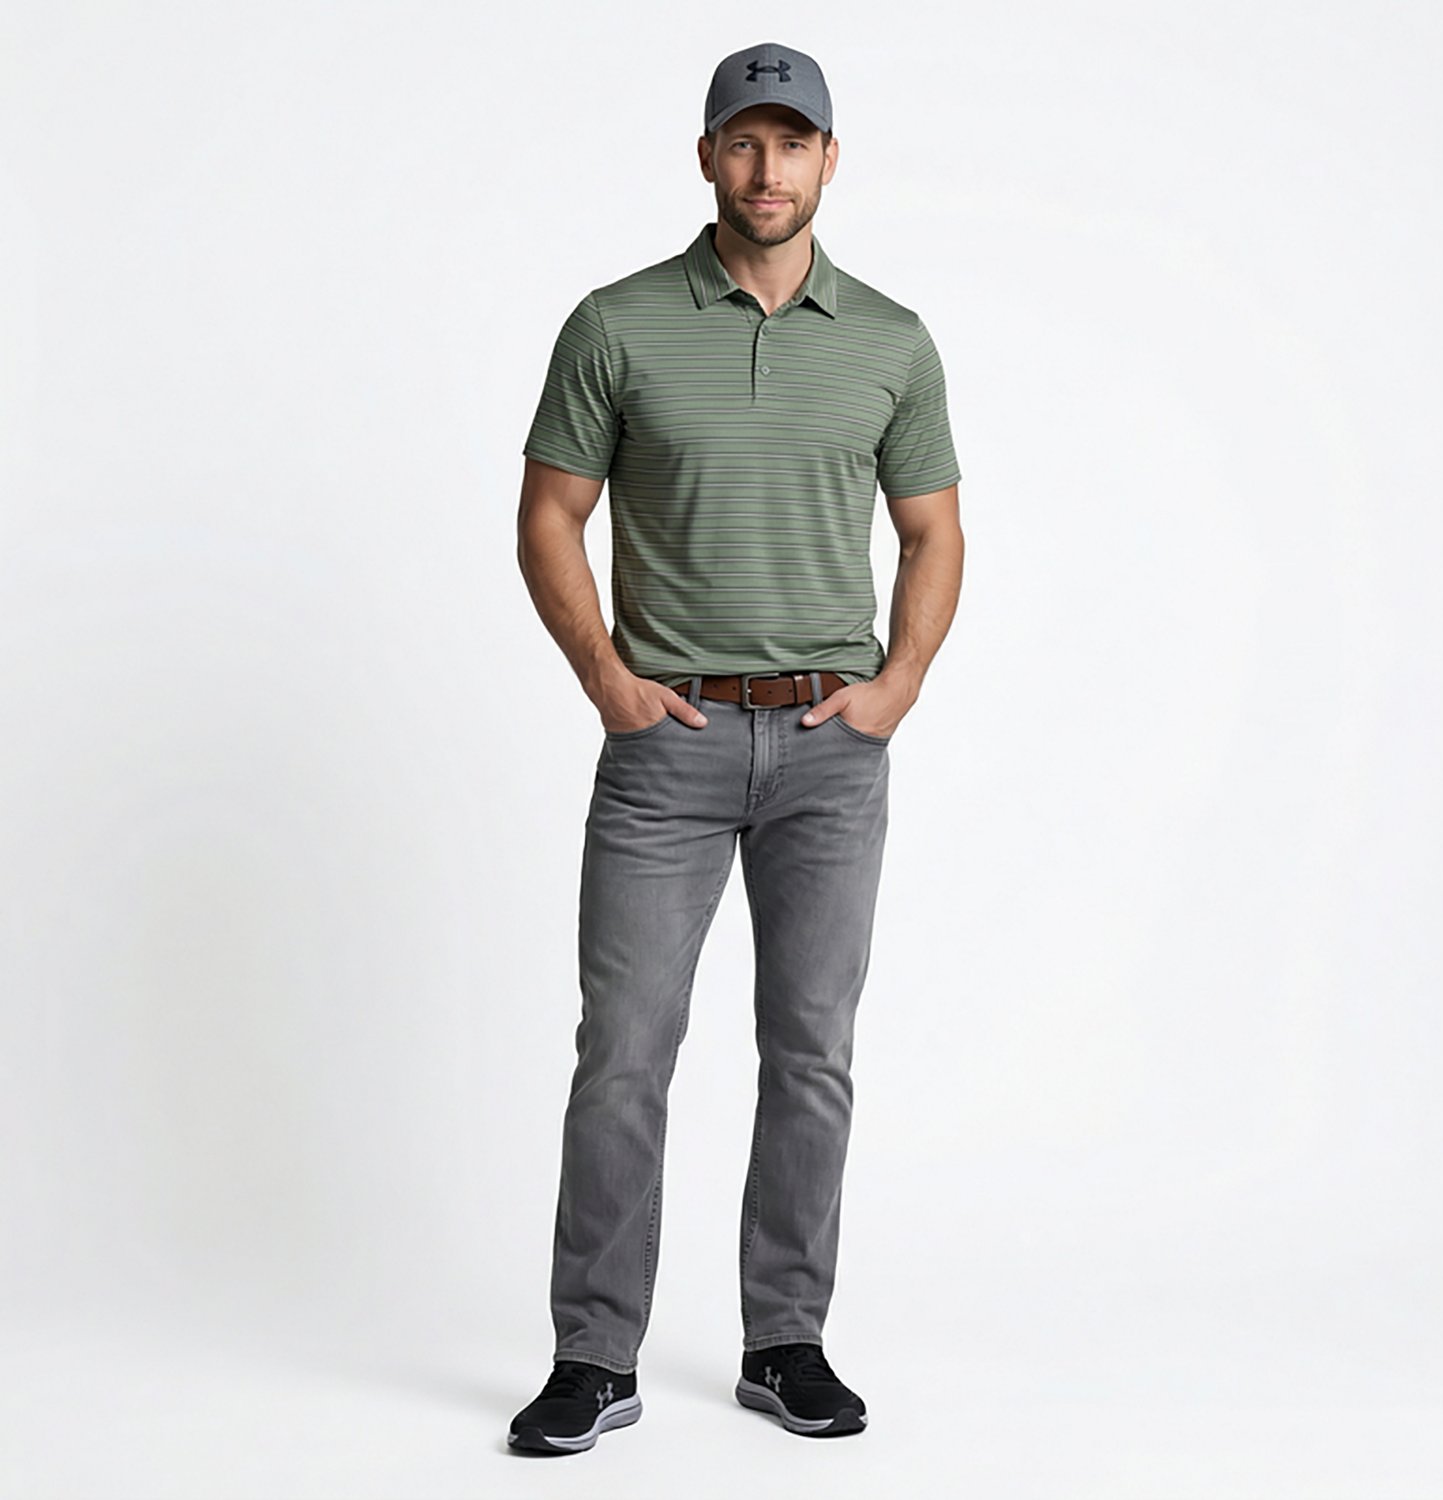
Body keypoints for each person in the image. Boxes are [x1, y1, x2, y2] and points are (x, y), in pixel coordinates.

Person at [507, 40, 964, 1455]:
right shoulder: (617, 324)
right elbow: (548, 514)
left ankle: (786, 1342)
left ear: (830, 159)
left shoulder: (891, 340)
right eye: (745, 142)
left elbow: (935, 530)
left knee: (812, 1052)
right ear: (707, 155)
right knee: (623, 1053)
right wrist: (607, 679)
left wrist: (895, 687)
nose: (769, 170)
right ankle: (594, 1357)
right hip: (670, 743)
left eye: (793, 142)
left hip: (831, 751)